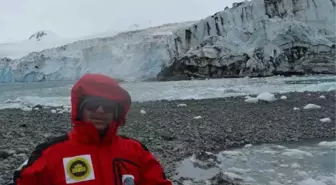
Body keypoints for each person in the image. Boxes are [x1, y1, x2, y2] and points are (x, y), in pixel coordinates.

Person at [12, 74, 172, 185]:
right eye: (93, 105)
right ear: (80, 110)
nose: (100, 111)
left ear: (116, 114)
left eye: (108, 107)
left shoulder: (136, 152)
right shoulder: (51, 153)